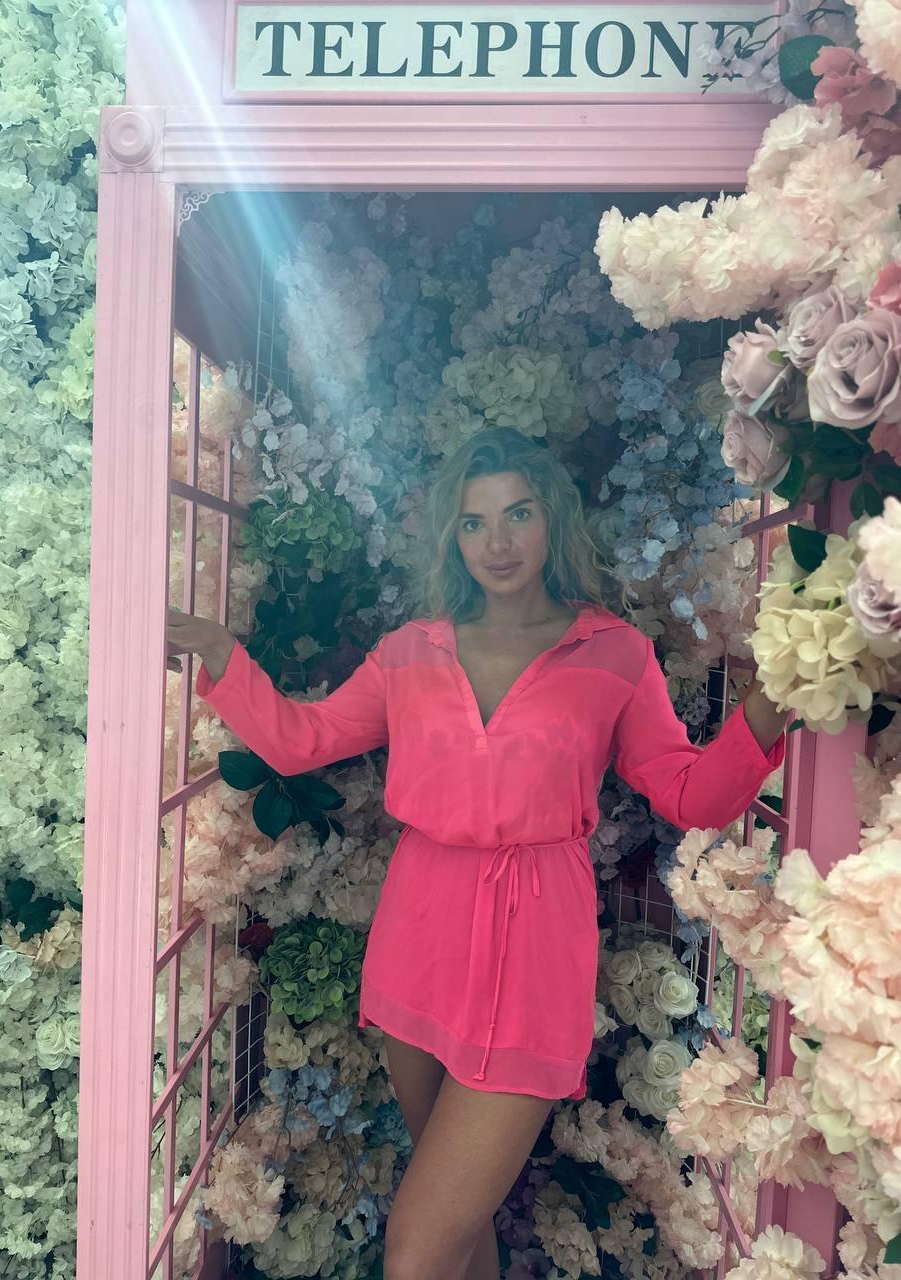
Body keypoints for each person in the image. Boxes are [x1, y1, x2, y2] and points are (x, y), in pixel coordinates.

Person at [166, 426, 787, 1280]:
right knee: (456, 1231)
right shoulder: (410, 651)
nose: (497, 541)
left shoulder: (615, 653)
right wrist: (217, 653)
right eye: (474, 522)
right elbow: (300, 740)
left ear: (552, 520)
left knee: (417, 1248)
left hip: (536, 949)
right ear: (452, 538)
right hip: (418, 933)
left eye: (518, 514)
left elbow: (691, 795)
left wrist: (773, 701)